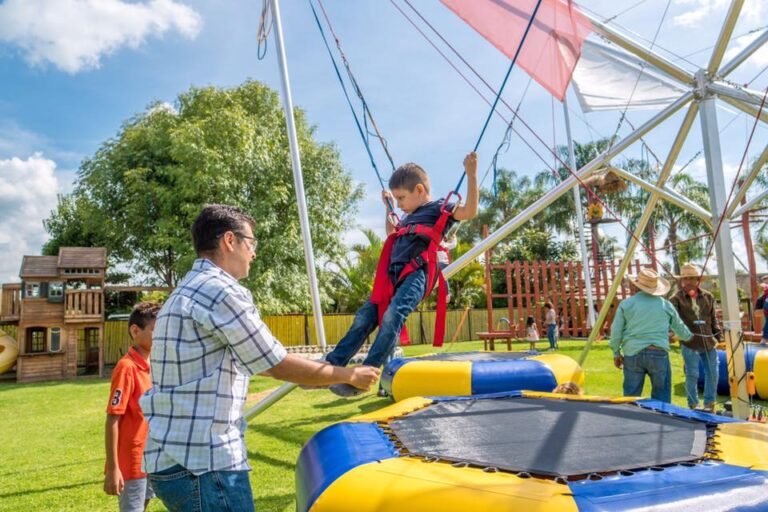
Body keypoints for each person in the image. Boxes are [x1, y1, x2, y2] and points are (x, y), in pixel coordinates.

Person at [140, 204, 380, 512]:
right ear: (230, 240)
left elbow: (255, 360)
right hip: (204, 462)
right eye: (251, 243)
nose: (253, 253)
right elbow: (275, 363)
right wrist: (348, 375)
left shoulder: (185, 290)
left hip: (173, 456)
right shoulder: (220, 290)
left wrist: (310, 376)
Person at [325, 153, 479, 397]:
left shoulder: (440, 208)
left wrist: (471, 174)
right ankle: (333, 364)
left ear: (419, 190)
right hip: (392, 275)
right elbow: (392, 232)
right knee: (365, 317)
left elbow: (470, 211)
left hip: (417, 272)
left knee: (392, 315)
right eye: (396, 199)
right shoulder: (407, 216)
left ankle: (367, 372)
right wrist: (387, 207)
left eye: (401, 198)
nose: (399, 204)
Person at [104, 301, 162, 512]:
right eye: (156, 331)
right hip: (131, 463)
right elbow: (112, 419)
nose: (162, 336)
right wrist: (113, 469)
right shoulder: (126, 367)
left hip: (151, 460)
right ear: (135, 331)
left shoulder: (154, 365)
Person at [610, 268, 693, 403]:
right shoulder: (665, 305)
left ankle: (628, 422)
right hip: (658, 352)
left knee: (630, 398)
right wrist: (686, 336)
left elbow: (616, 332)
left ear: (636, 285)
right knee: (662, 399)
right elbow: (682, 331)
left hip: (633, 353)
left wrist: (616, 353)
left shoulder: (626, 304)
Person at [669, 263, 721, 412]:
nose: (690, 281)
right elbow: (672, 321)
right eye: (686, 278)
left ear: (698, 279)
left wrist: (720, 337)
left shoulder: (708, 296)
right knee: (692, 373)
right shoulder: (675, 299)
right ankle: (693, 404)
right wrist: (673, 334)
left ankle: (710, 404)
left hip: (709, 341)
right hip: (689, 342)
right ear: (682, 281)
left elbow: (713, 319)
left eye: (693, 278)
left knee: (713, 372)